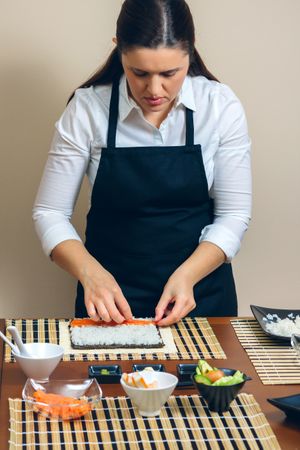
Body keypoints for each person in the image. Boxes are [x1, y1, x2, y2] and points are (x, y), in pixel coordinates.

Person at [33, 0, 251, 326]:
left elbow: (234, 213)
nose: (154, 89)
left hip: (199, 295)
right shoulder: (87, 109)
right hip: (111, 301)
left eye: (170, 73)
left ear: (190, 52)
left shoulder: (219, 107)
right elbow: (49, 212)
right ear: (118, 50)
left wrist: (188, 276)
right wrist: (90, 274)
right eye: (139, 73)